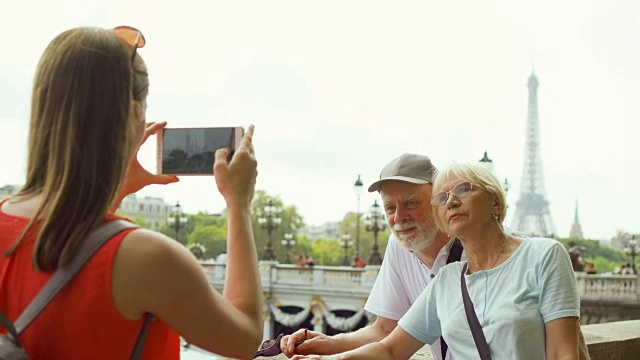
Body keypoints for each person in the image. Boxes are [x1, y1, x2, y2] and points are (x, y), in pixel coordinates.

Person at [0, 26, 262, 359]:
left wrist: (115, 189)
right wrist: (238, 204)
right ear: (133, 114)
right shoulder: (148, 258)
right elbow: (246, 338)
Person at [291, 162, 583, 359]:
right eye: (442, 198)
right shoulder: (446, 280)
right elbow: (390, 348)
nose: (452, 201)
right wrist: (329, 354)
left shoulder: (543, 255)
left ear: (496, 201)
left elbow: (564, 353)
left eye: (464, 189)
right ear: (440, 216)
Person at [282, 153, 465, 359]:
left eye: (411, 203)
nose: (398, 218)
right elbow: (385, 330)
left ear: (439, 200)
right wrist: (329, 343)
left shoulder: (476, 245)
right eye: (390, 207)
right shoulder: (398, 246)